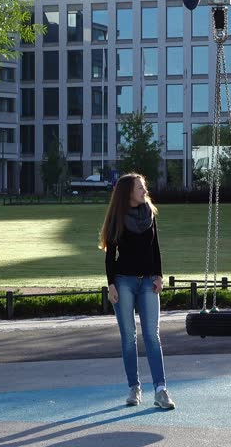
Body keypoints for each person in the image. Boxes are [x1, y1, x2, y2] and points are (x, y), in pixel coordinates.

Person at [98, 173, 176, 410]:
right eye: (140, 187)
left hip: (148, 282)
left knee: (152, 336)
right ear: (128, 193)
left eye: (144, 186)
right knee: (129, 338)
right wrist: (111, 284)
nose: (144, 190)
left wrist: (159, 275)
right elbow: (111, 256)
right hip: (124, 282)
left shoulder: (149, 214)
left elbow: (156, 247)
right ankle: (134, 387)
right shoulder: (117, 218)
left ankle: (161, 390)